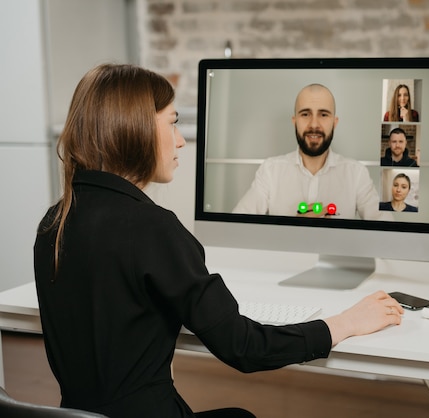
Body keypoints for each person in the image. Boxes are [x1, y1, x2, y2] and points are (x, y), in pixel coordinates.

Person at [33, 64, 405, 418]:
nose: (180, 141)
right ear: (137, 129)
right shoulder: (153, 229)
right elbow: (244, 347)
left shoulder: (54, 222)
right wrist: (345, 323)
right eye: (172, 124)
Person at [233, 83, 387, 220]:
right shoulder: (270, 171)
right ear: (295, 121)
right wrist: (295, 230)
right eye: (305, 114)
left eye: (323, 114)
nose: (314, 124)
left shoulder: (357, 174)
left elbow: (386, 232)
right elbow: (236, 227)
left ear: (335, 122)